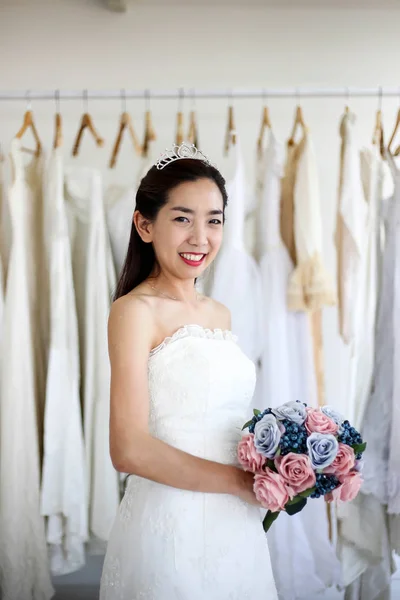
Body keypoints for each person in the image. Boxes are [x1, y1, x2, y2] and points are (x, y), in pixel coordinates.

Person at [99, 144, 278, 599]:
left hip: (236, 527)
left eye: (213, 220)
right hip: (170, 527)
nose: (200, 237)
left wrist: (281, 463)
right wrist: (242, 483)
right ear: (144, 224)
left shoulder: (220, 314)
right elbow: (129, 449)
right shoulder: (134, 311)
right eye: (182, 218)